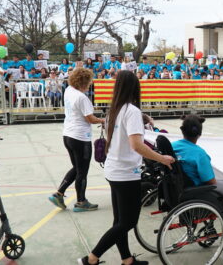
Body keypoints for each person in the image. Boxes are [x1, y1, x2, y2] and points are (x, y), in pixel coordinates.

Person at [78, 71, 174, 265]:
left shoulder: (115, 109)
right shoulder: (132, 111)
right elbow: (136, 145)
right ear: (135, 88)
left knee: (119, 221)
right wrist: (162, 158)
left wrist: (142, 118)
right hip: (126, 173)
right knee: (128, 221)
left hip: (114, 169)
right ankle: (92, 258)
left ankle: (127, 259)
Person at [49, 68, 105, 212]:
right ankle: (81, 201)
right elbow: (90, 118)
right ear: (84, 82)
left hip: (68, 134)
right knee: (82, 171)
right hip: (80, 137)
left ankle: (59, 193)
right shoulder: (82, 98)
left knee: (77, 167)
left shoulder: (69, 90)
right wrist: (103, 120)